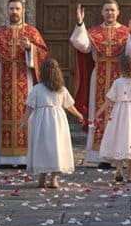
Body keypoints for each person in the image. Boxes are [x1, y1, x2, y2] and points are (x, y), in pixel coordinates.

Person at [0, 0, 49, 168]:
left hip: (25, 79)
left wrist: (30, 48)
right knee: (3, 115)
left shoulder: (31, 32)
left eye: (17, 9)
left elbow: (44, 54)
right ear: (7, 10)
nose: (14, 12)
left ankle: (25, 158)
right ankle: (5, 159)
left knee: (26, 115)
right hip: (5, 78)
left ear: (23, 11)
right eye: (11, 9)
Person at [71, 0, 131, 166]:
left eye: (112, 10)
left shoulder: (126, 32)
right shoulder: (94, 32)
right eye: (106, 10)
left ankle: (118, 154)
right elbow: (82, 46)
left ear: (118, 12)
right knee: (100, 114)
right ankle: (102, 156)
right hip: (99, 77)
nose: (110, 13)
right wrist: (79, 23)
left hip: (120, 79)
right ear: (102, 12)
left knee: (119, 116)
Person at [21, 58, 84, 188]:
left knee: (43, 147)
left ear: (43, 72)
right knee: (57, 147)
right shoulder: (60, 89)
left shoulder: (38, 88)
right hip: (57, 122)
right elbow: (69, 106)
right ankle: (53, 179)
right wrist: (78, 115)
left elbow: (30, 108)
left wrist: (23, 122)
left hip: (41, 121)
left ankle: (43, 177)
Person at [95, 54, 131, 183]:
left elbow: (109, 101)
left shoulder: (118, 82)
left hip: (120, 115)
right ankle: (130, 174)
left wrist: (98, 113)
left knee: (120, 140)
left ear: (121, 67)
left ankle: (119, 170)